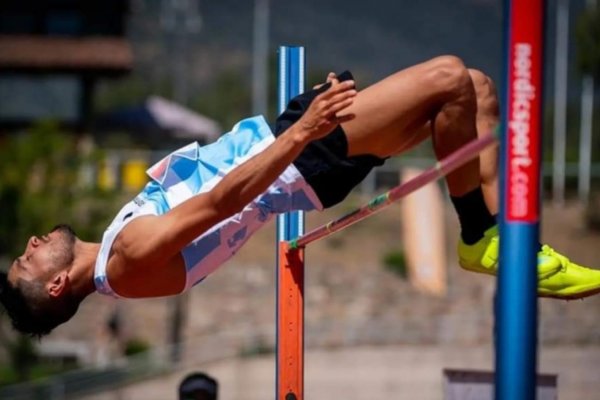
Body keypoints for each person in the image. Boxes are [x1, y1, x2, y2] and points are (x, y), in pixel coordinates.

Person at [1, 56, 599, 338]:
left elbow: (215, 191)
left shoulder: (112, 249)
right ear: (57, 286)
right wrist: (304, 130)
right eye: (29, 259)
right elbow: (220, 203)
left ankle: (490, 236)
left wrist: (293, 126)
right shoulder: (125, 258)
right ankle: (481, 238)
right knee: (448, 76)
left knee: (473, 91)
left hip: (288, 152)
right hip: (296, 163)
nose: (30, 244)